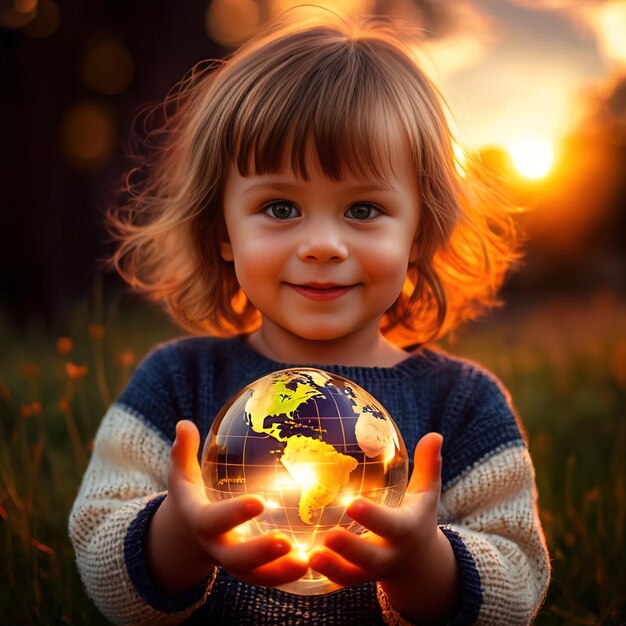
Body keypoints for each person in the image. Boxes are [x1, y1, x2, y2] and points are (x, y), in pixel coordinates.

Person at [69, 7, 550, 625]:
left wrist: (421, 561)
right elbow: (100, 554)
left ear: (420, 234)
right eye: (278, 207)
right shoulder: (175, 385)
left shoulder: (462, 406)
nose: (322, 244)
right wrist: (177, 538)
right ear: (222, 230)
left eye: (363, 209)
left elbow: (517, 582)